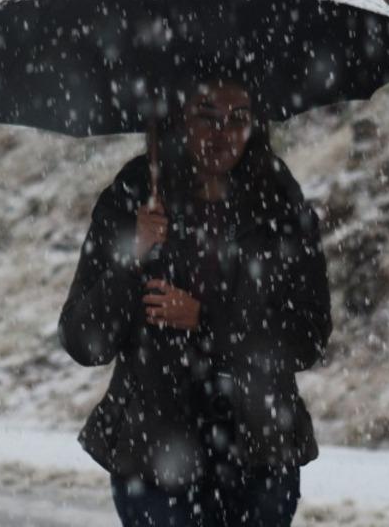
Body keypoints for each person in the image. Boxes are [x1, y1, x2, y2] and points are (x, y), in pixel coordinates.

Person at [58, 75, 332, 526]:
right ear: (178, 120)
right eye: (206, 117)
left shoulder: (279, 201)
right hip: (154, 460)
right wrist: (134, 255)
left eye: (238, 118)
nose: (222, 133)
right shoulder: (135, 193)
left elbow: (308, 337)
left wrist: (206, 318)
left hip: (259, 453)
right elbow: (83, 341)